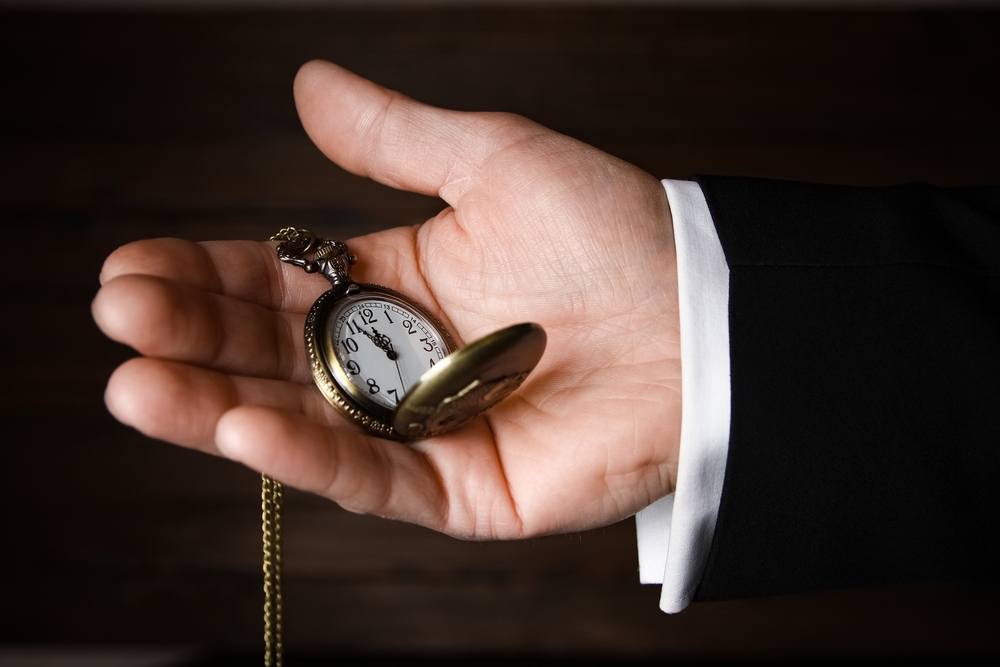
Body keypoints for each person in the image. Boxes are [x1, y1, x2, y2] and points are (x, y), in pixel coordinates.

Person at [91, 60, 1000, 613]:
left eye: (376, 344)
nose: (373, 350)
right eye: (371, 351)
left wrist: (686, 328)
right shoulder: (353, 323)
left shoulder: (357, 320)